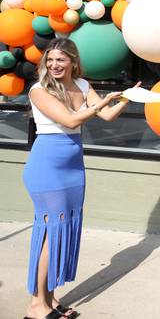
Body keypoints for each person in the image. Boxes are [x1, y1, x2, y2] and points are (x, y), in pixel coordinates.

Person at [23, 38, 134, 319]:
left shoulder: (83, 86)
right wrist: (101, 104)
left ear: (73, 61)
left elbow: (107, 115)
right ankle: (37, 305)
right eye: (50, 60)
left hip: (73, 165)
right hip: (47, 165)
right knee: (51, 232)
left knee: (63, 230)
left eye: (60, 60)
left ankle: (49, 296)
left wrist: (128, 97)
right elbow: (70, 121)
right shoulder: (39, 90)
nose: (54, 65)